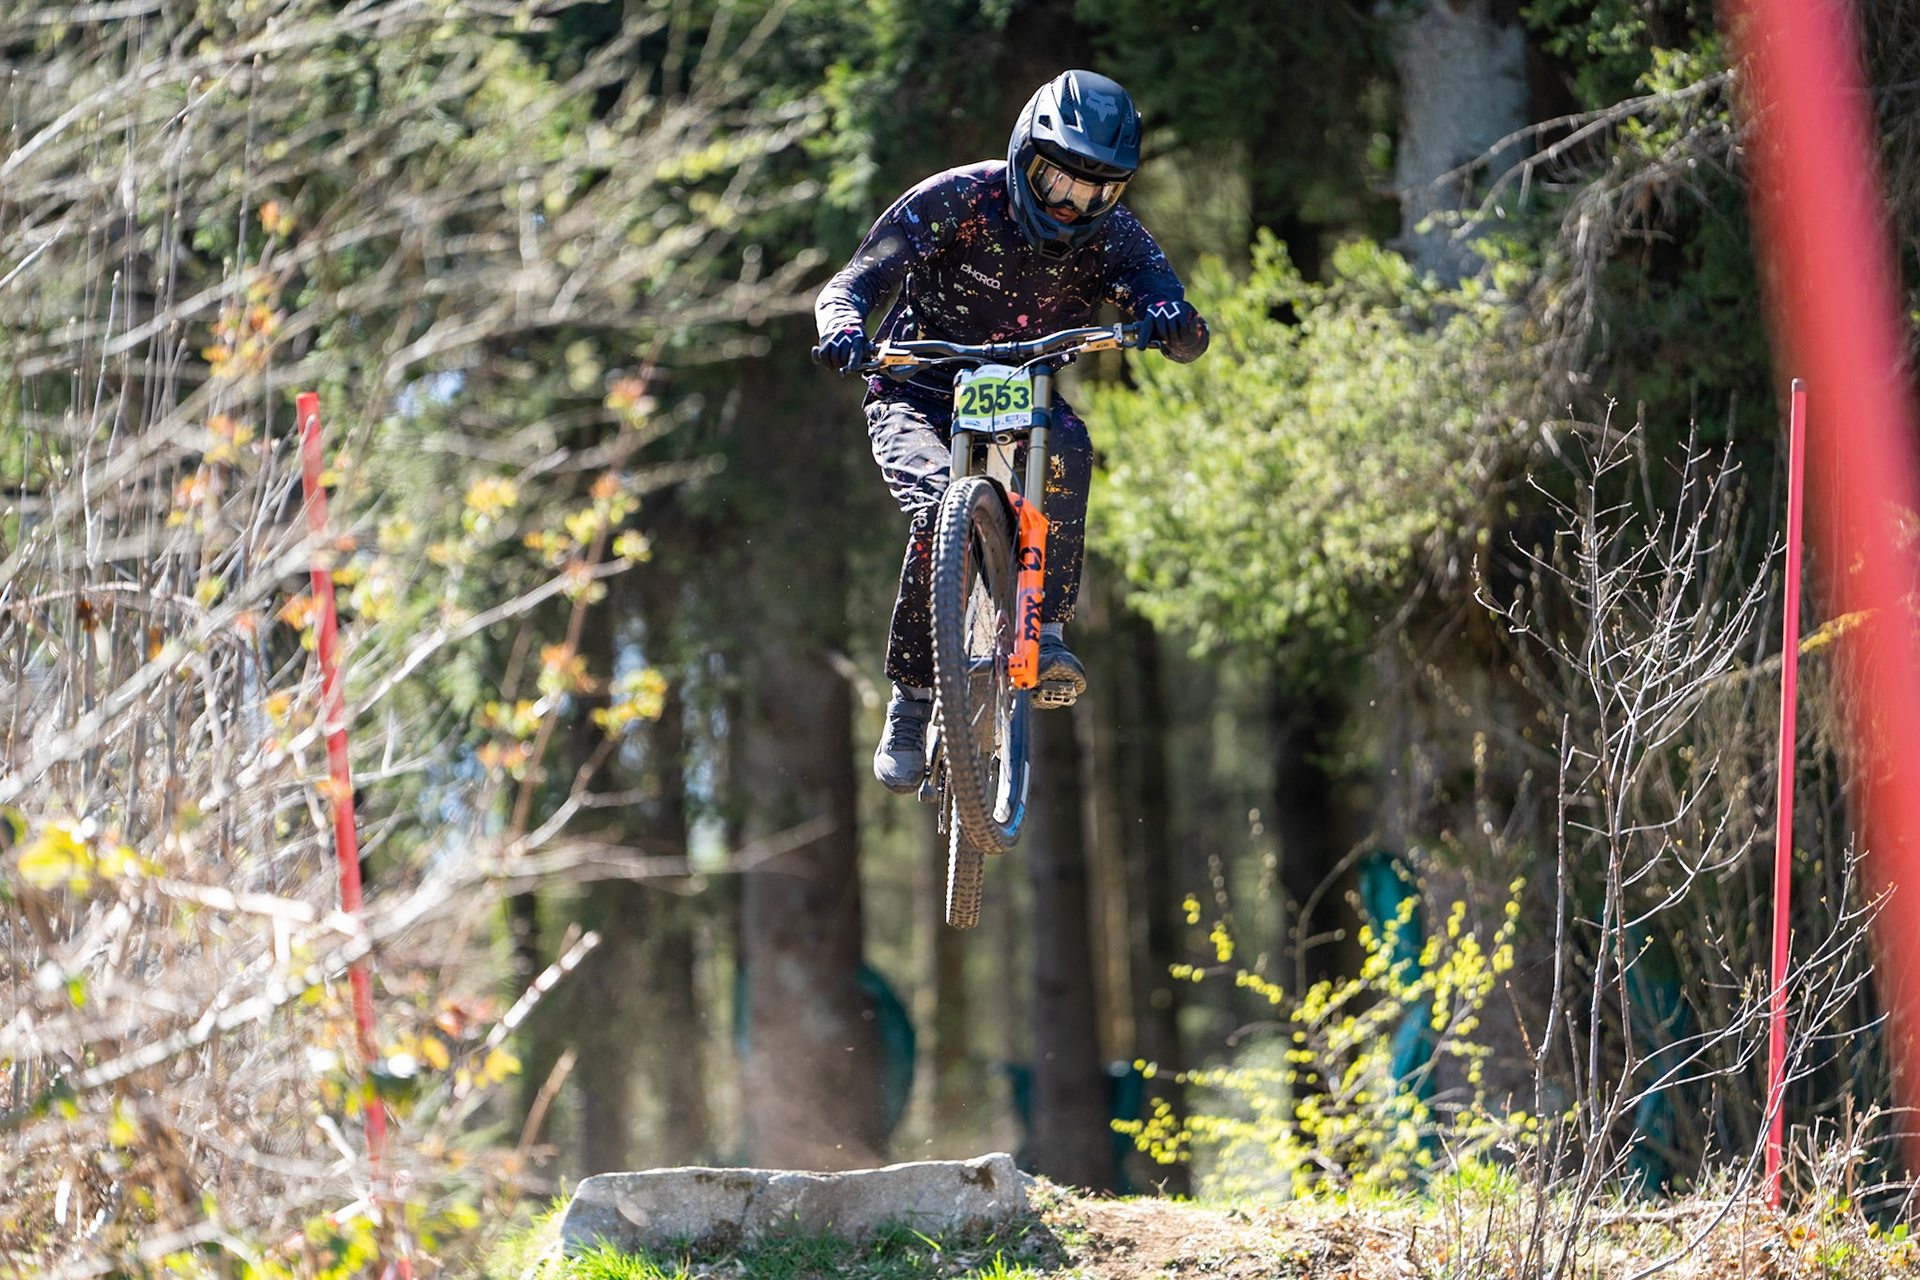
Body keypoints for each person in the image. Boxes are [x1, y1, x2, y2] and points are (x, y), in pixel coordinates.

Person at [814, 69, 1210, 793]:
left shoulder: (1116, 237)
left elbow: (1167, 303)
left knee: (1069, 448)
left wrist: (1173, 323)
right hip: (916, 389)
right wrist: (844, 326)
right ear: (1025, 156)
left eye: (1094, 195)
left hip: (1027, 395)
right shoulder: (958, 199)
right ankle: (912, 701)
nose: (1071, 207)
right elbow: (855, 281)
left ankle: (1046, 633)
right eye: (1057, 184)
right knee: (938, 511)